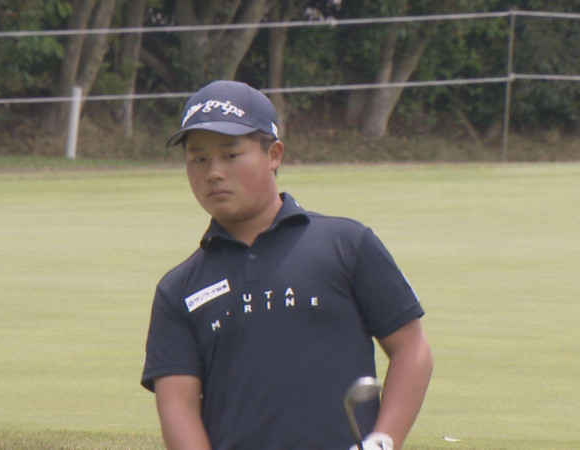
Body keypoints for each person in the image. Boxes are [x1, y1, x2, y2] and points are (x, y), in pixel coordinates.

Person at [141, 80, 433, 450]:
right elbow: (177, 405)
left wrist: (382, 441)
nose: (213, 172)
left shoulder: (346, 244)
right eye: (199, 159)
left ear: (274, 155)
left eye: (231, 155)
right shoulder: (178, 289)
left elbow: (412, 349)